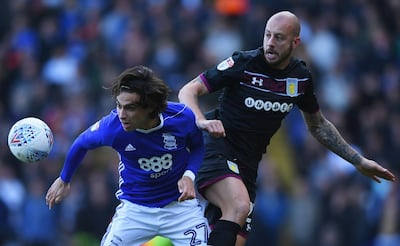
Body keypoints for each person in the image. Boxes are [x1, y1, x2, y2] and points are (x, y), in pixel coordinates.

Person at [178, 11, 396, 246]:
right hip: (215, 148)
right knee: (238, 205)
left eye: (279, 38)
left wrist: (358, 161)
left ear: (295, 42)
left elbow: (319, 126)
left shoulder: (300, 79)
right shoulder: (244, 63)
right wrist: (200, 120)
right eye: (268, 35)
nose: (270, 43)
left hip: (247, 167)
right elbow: (189, 90)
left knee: (234, 239)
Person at [45, 65, 209, 245]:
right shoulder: (113, 126)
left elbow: (198, 146)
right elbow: (81, 143)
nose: (122, 114)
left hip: (180, 208)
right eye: (119, 105)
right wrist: (64, 179)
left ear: (150, 107)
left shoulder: (181, 117)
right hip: (135, 210)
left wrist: (188, 176)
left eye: (130, 108)